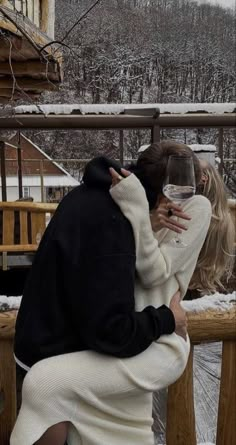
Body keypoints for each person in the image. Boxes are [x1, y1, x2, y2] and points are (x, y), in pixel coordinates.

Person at [11, 141, 211, 445]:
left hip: (155, 341)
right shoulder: (116, 217)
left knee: (46, 386)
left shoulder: (186, 209)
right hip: (132, 335)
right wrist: (143, 218)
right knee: (113, 426)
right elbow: (113, 327)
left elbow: (154, 272)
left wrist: (141, 217)